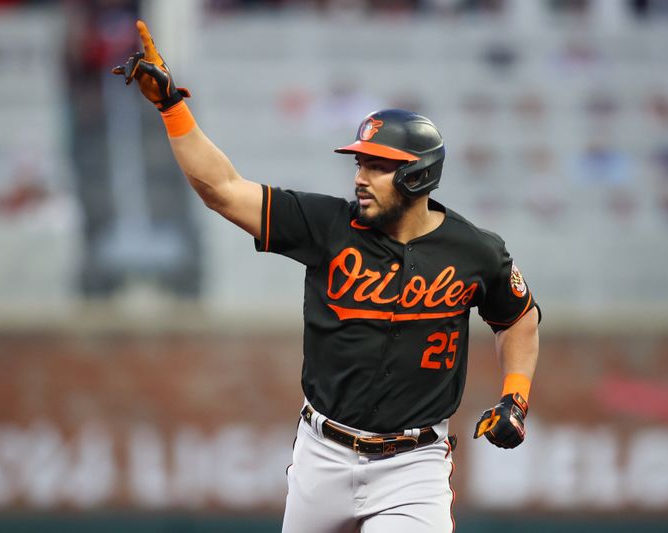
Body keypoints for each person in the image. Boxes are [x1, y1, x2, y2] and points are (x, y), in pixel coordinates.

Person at [114, 20, 540, 533]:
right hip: (323, 455)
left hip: (413, 463)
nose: (360, 176)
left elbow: (518, 318)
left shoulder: (474, 251)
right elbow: (223, 190)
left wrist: (515, 396)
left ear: (418, 174)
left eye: (377, 166)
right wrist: (172, 108)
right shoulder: (326, 225)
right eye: (359, 162)